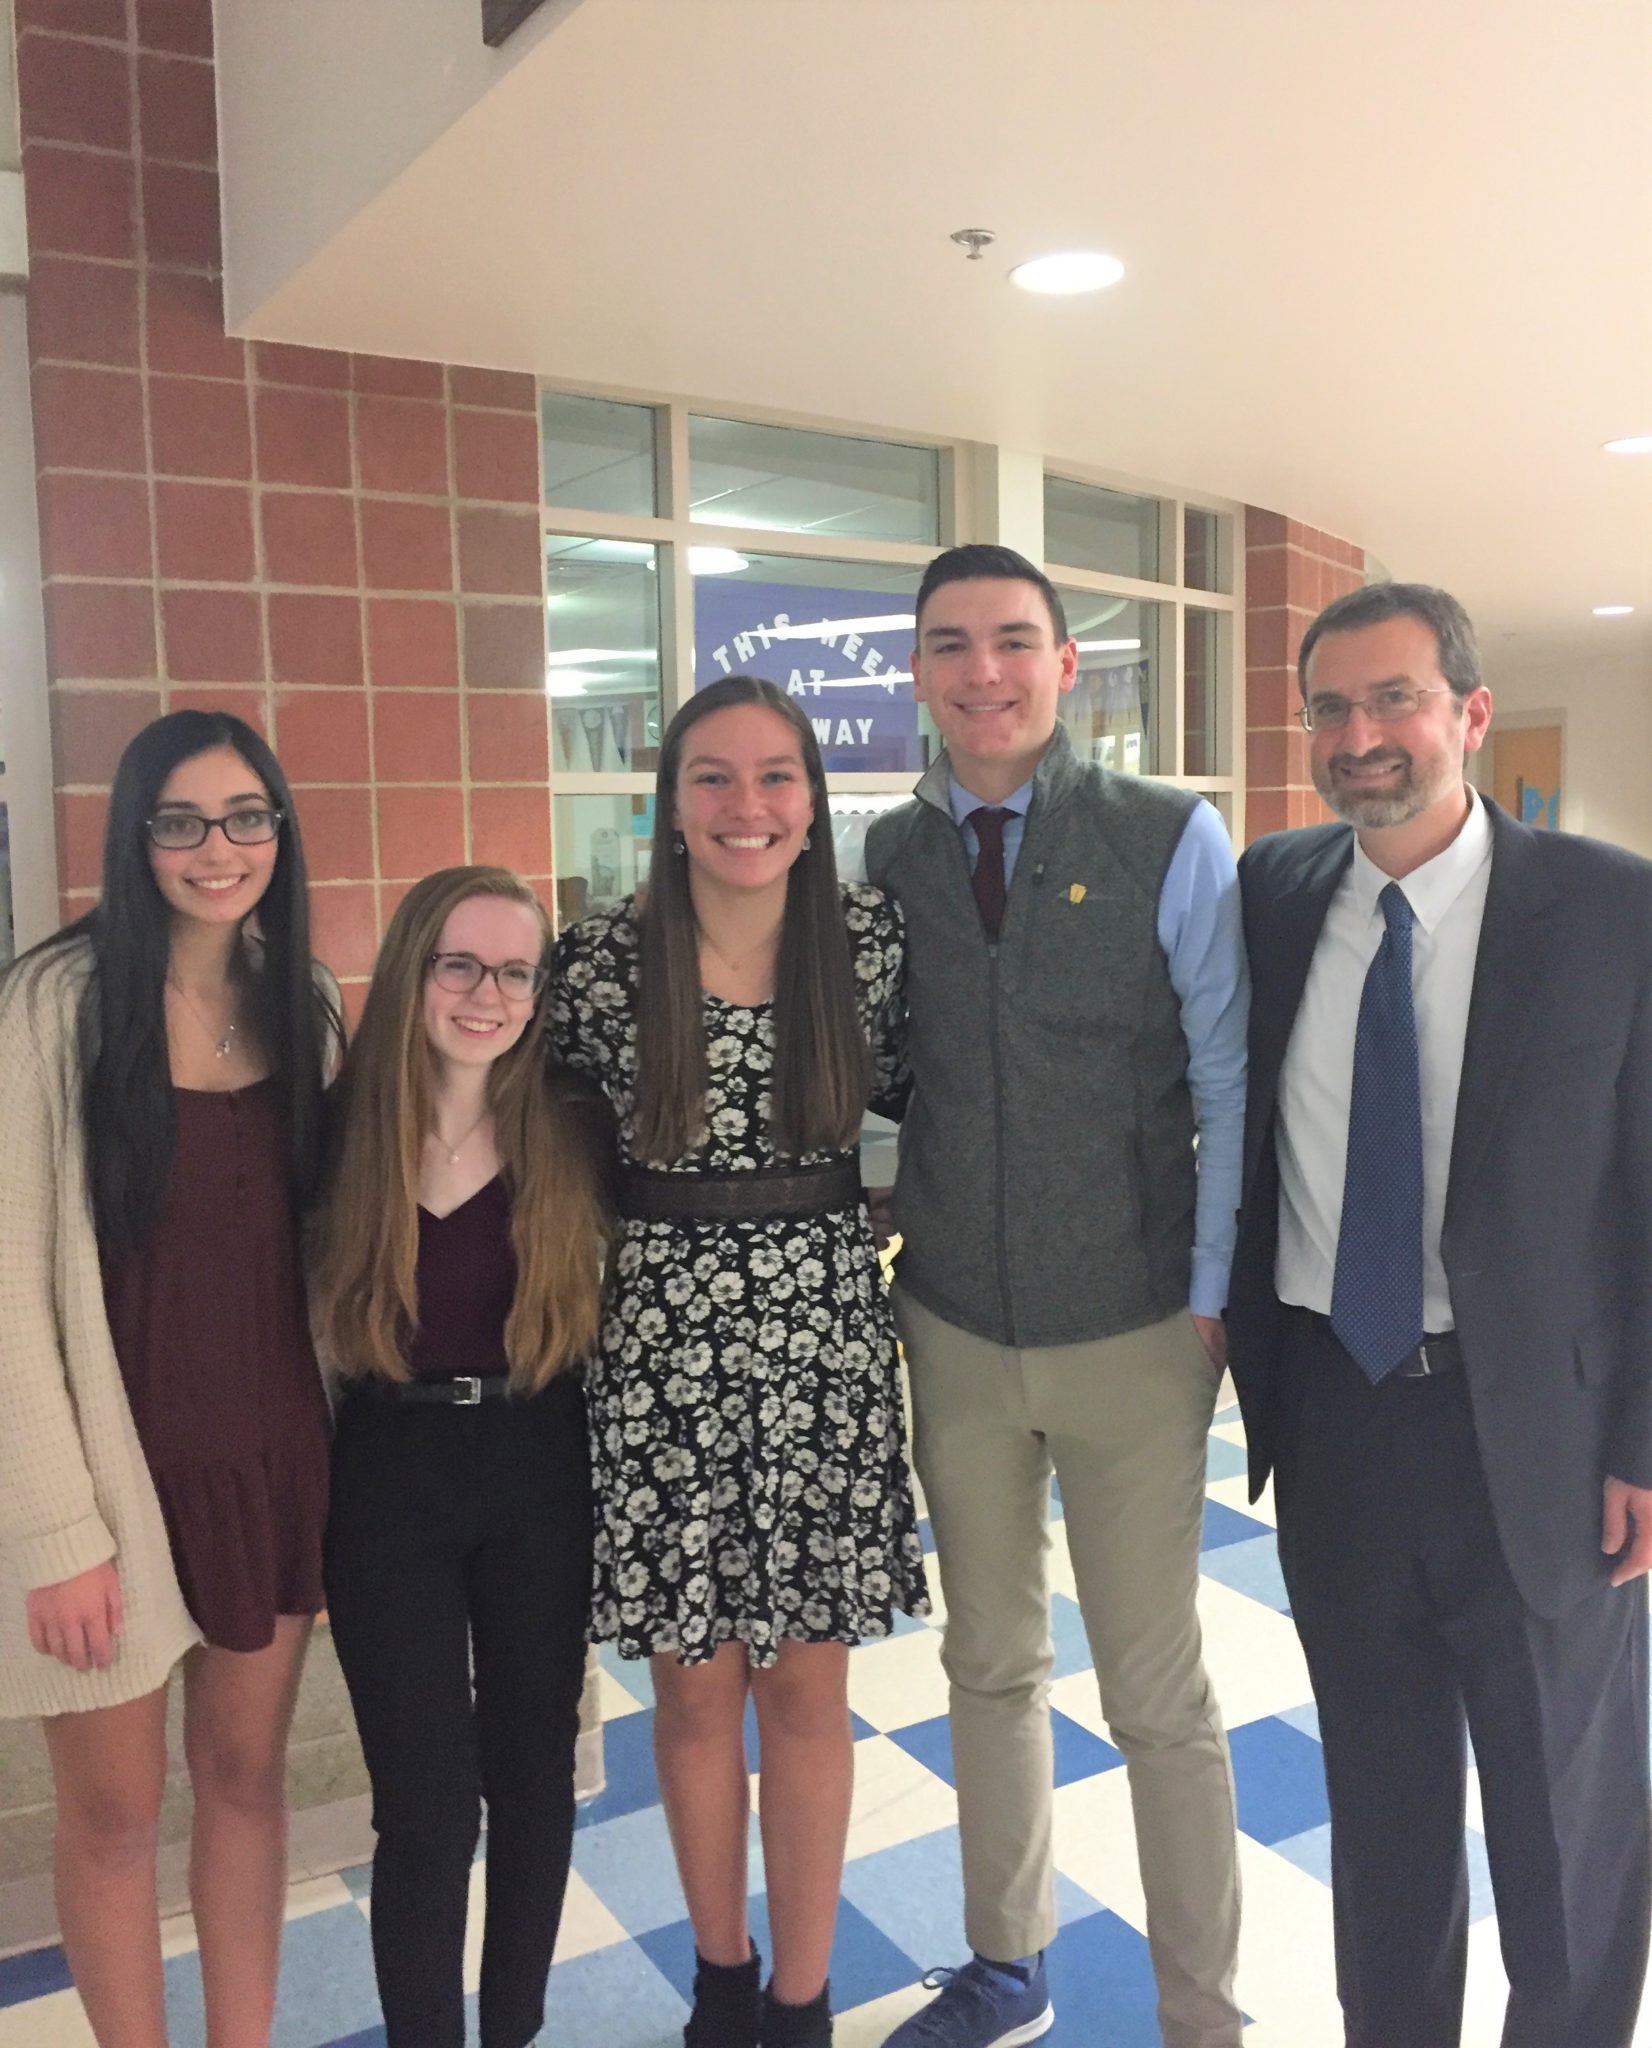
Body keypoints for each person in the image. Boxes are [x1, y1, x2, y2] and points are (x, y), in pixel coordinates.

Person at [1227, 581, 1652, 2046]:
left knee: (1565, 1828)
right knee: (1382, 1814)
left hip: (1540, 1439)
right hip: (1337, 1422)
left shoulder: (1611, 908)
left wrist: (1643, 1439)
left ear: (1469, 712)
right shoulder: (1274, 892)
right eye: (1330, 708)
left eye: (1394, 698)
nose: (1360, 734)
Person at [866, 544, 1248, 2048]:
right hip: (956, 1325)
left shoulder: (1166, 833)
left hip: (1138, 1329)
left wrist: (1210, 1292)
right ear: (918, 672)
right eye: (952, 645)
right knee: (988, 1663)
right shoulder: (890, 853)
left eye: (1014, 640)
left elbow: (1225, 1076)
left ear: (1067, 664)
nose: (985, 672)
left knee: (1156, 1693)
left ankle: (1201, 2012)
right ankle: (1006, 1964)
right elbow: (890, 1071)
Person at [549, 673, 928, 2048]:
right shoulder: (600, 961)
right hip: (659, 1348)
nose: (745, 805)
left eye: (776, 776)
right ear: (670, 804)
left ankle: (802, 1995)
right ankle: (722, 1977)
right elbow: (535, 1145)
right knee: (694, 1690)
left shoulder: (868, 943)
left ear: (815, 804)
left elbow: (942, 1103)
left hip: (821, 1338)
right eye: (711, 776)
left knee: (808, 1692)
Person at [0, 709, 339, 2048]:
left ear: (279, 831)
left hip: (273, 1460)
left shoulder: (300, 1003)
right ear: (133, 836)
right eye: (181, 821)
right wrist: (53, 1532)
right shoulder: (53, 1007)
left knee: (246, 1781)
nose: (219, 848)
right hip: (113, 1485)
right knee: (115, 1815)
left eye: (247, 817)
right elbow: (8, 1286)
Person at [314, 865, 611, 2048]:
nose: (487, 994)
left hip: (538, 1456)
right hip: (388, 1470)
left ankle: (514, 2029)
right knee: (427, 1807)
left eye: (515, 971)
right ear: (411, 970)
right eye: (460, 964)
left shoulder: (571, 1123)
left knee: (534, 1779)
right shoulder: (337, 1128)